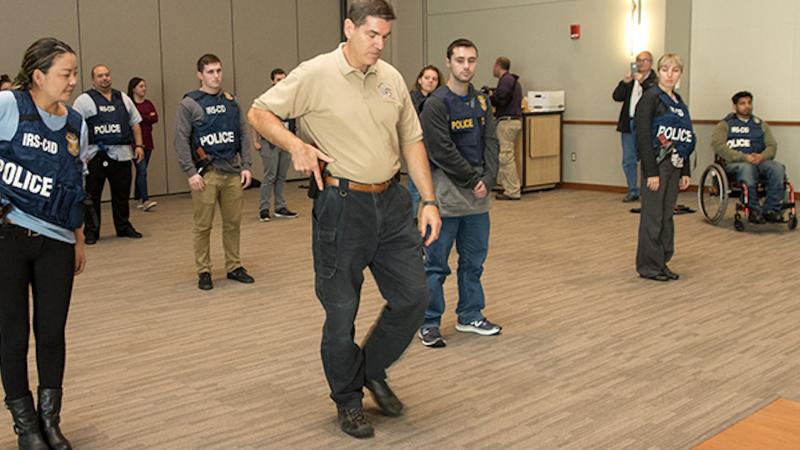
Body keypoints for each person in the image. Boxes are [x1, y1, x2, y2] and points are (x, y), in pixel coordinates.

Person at [247, 0, 441, 439]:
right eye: (372, 34)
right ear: (349, 28)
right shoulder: (316, 73)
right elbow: (259, 112)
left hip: (391, 204)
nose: (379, 44)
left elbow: (412, 141)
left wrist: (427, 200)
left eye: (385, 37)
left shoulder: (390, 78)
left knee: (414, 296)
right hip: (342, 205)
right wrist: (294, 143)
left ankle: (369, 370)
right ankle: (348, 400)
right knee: (341, 312)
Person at [0, 36, 88, 450]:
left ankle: (50, 421)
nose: (73, 81)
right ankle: (26, 428)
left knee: (51, 333)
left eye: (74, 73)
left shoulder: (75, 123)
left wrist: (78, 238)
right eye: (64, 74)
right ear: (38, 76)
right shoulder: (8, 107)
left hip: (56, 241)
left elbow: (75, 182)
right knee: (12, 335)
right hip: (8, 238)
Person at [418, 38, 501, 348]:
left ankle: (470, 314)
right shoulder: (436, 104)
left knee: (473, 262)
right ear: (449, 63)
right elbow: (441, 150)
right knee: (436, 265)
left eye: (471, 60)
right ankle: (428, 322)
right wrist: (471, 179)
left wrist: (489, 178)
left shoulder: (482, 101)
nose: (466, 66)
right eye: (460, 60)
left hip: (478, 200)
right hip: (447, 199)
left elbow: (491, 141)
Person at [174, 54, 254, 291]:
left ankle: (234, 266)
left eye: (218, 70)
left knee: (232, 223)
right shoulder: (189, 104)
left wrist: (247, 165)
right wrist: (190, 172)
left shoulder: (232, 102)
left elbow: (242, 133)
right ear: (200, 74)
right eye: (210, 71)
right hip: (206, 173)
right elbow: (180, 139)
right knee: (203, 226)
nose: (216, 76)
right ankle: (204, 270)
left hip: (232, 172)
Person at [635, 53, 694, 282]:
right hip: (656, 167)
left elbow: (685, 137)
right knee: (653, 217)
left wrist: (685, 170)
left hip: (675, 166)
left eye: (675, 70)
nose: (670, 74)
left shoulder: (679, 102)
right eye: (665, 69)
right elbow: (642, 137)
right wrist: (651, 172)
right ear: (659, 72)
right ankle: (649, 265)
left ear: (680, 74)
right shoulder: (650, 98)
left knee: (667, 216)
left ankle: (662, 261)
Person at [72, 64, 144, 244]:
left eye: (107, 75)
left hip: (121, 154)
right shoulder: (83, 100)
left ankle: (123, 226)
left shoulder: (123, 98)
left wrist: (140, 145)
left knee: (121, 194)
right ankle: (91, 231)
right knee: (92, 196)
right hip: (94, 155)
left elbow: (135, 123)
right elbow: (74, 130)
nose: (104, 78)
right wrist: (78, 157)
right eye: (100, 76)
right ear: (93, 80)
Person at [712, 91, 784, 223]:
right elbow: (719, 146)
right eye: (742, 103)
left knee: (777, 168)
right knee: (747, 169)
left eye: (749, 103)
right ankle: (754, 210)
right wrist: (744, 157)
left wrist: (762, 156)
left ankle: (771, 210)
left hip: (759, 160)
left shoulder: (760, 124)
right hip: (736, 163)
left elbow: (772, 146)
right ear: (735, 106)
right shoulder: (725, 124)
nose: (747, 106)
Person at [614, 51, 658, 203]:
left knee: (647, 156)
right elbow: (616, 96)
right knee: (628, 159)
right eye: (638, 60)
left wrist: (643, 82)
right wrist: (624, 82)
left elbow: (655, 96)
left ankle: (649, 190)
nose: (641, 63)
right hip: (629, 122)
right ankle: (633, 190)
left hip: (647, 124)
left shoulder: (655, 80)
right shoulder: (631, 79)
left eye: (644, 60)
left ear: (651, 63)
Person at [254, 68, 298, 222]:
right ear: (272, 81)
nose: (282, 82)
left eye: (284, 79)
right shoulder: (266, 98)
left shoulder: (290, 98)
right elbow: (256, 119)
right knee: (269, 176)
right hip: (270, 143)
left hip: (285, 143)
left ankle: (280, 207)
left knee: (281, 176)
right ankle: (264, 209)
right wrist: (256, 141)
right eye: (278, 79)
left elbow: (293, 120)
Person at [407, 65, 440, 213]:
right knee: (414, 190)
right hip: (417, 147)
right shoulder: (411, 99)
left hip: (435, 149)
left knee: (435, 188)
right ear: (420, 80)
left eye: (434, 79)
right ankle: (411, 221)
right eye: (427, 78)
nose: (430, 81)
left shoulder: (440, 100)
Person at [490, 56, 523, 200]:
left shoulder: (506, 81)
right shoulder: (513, 81)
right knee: (507, 155)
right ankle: (510, 188)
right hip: (514, 121)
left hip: (507, 122)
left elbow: (501, 99)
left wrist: (489, 97)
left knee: (505, 156)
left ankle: (512, 190)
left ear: (498, 66)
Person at [128, 77, 159, 212]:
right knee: (142, 170)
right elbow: (132, 120)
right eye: (141, 86)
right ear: (134, 88)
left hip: (148, 141)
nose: (144, 89)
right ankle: (145, 200)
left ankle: (137, 198)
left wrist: (141, 116)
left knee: (142, 171)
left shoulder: (148, 103)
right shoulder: (129, 104)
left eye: (145, 86)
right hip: (135, 143)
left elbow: (154, 118)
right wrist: (146, 116)